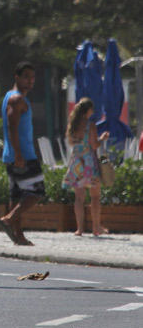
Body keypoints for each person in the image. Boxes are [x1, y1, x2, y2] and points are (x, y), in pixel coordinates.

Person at [0, 61, 45, 246]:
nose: (30, 81)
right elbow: (12, 128)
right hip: (22, 155)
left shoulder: (12, 97)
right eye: (26, 76)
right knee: (37, 192)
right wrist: (19, 155)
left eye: (32, 77)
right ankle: (8, 219)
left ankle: (19, 236)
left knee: (17, 197)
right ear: (16, 77)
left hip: (12, 155)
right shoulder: (17, 99)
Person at [63, 98, 110, 236]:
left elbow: (72, 143)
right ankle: (96, 228)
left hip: (77, 163)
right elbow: (94, 145)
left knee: (79, 198)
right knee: (95, 197)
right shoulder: (91, 126)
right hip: (90, 164)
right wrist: (102, 138)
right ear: (88, 110)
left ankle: (80, 229)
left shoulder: (72, 125)